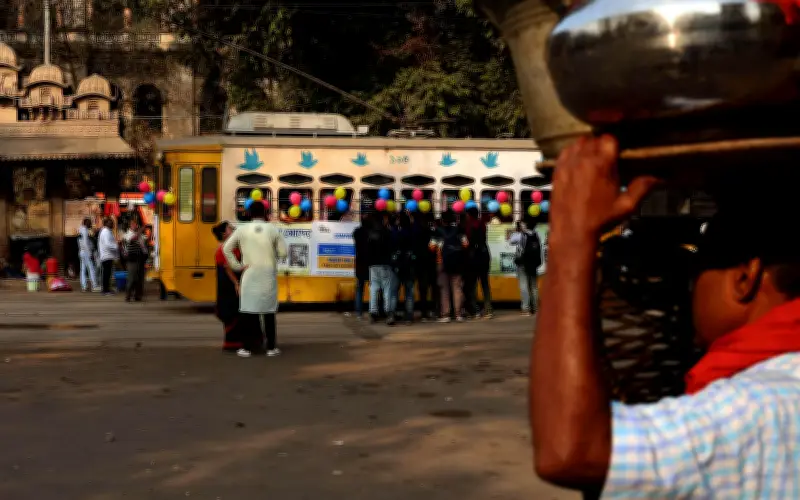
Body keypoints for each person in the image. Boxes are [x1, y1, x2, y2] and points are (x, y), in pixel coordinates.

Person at [531, 135, 800, 497]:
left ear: (744, 278)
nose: (689, 290)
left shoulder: (758, 407)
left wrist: (570, 236)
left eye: (697, 271)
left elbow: (571, 453)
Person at [223, 200, 287, 358]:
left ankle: (247, 348)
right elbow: (283, 253)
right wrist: (273, 256)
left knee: (247, 312)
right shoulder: (272, 229)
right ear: (265, 213)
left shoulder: (242, 230)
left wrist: (237, 266)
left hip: (249, 274)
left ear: (249, 214)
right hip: (267, 275)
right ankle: (271, 348)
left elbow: (226, 248)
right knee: (269, 312)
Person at [431, 212, 469, 322]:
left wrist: (440, 248)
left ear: (442, 220)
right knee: (457, 288)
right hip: (457, 262)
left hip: (441, 262)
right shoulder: (459, 230)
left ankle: (446, 315)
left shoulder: (438, 231)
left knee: (444, 289)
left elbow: (431, 247)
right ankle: (458, 314)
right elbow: (466, 244)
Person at [213, 221, 243, 352]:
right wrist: (237, 283)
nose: (233, 229)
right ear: (224, 234)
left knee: (235, 312)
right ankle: (233, 343)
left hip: (228, 284)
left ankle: (235, 342)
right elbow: (227, 267)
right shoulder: (225, 248)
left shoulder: (228, 247)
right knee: (233, 312)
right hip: (229, 286)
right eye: (230, 228)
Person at [367, 212, 396, 325]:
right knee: (387, 290)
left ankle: (373, 313)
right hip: (385, 264)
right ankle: (388, 313)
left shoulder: (370, 234)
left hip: (373, 265)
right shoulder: (387, 232)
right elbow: (391, 248)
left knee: (374, 289)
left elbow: (368, 250)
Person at [464, 207, 493, 319]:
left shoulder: (469, 225)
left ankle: (474, 310)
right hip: (484, 256)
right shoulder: (482, 224)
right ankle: (488, 309)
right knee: (485, 284)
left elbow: (468, 241)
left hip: (473, 258)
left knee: (473, 285)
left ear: (470, 215)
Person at [509, 220, 542, 315]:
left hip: (523, 263)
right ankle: (535, 307)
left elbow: (511, 241)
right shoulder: (536, 235)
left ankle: (525, 308)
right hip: (533, 264)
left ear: (526, 225)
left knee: (524, 285)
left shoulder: (521, 235)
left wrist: (517, 231)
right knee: (533, 286)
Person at [391, 213, 416, 324]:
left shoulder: (396, 233)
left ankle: (392, 314)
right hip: (409, 266)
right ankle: (409, 316)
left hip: (397, 266)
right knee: (409, 292)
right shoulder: (412, 232)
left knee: (394, 292)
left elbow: (392, 243)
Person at [123, 219, 147, 302]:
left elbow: (144, 244)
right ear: (130, 225)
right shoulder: (127, 234)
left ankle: (137, 296)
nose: (134, 226)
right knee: (131, 278)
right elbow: (132, 239)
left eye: (135, 224)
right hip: (132, 259)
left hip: (140, 259)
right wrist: (141, 230)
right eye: (132, 224)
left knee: (139, 279)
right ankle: (128, 296)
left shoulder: (140, 235)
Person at [351, 214, 370, 319]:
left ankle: (359, 313)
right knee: (374, 289)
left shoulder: (357, 232)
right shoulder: (370, 233)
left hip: (359, 263)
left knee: (359, 289)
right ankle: (374, 311)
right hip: (369, 263)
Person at [78, 217, 99, 292]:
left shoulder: (81, 230)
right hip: (86, 252)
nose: (91, 224)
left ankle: (84, 286)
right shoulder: (84, 231)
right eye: (90, 223)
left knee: (83, 269)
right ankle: (94, 285)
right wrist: (90, 253)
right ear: (86, 223)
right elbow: (85, 243)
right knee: (91, 268)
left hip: (82, 251)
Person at [98, 218, 118, 295]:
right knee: (106, 274)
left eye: (112, 222)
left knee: (107, 273)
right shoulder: (106, 232)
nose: (113, 224)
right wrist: (116, 246)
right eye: (111, 223)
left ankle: (106, 289)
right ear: (106, 224)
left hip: (107, 255)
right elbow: (107, 244)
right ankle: (105, 290)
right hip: (107, 255)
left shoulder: (107, 231)